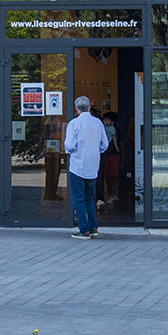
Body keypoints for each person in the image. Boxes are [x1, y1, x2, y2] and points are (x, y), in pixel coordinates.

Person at [63, 96, 108, 238]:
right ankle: (94, 227)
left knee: (78, 198)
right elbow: (104, 145)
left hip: (78, 166)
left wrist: (70, 151)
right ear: (89, 107)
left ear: (76, 109)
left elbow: (69, 145)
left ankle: (84, 229)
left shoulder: (74, 123)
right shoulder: (98, 123)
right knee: (90, 198)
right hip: (93, 166)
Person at [98, 111, 122, 208]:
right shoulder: (101, 129)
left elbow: (118, 141)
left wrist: (117, 149)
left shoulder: (114, 130)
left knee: (114, 175)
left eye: (109, 120)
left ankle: (114, 194)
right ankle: (110, 195)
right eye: (105, 120)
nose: (107, 122)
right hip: (106, 154)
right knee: (108, 176)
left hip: (112, 154)